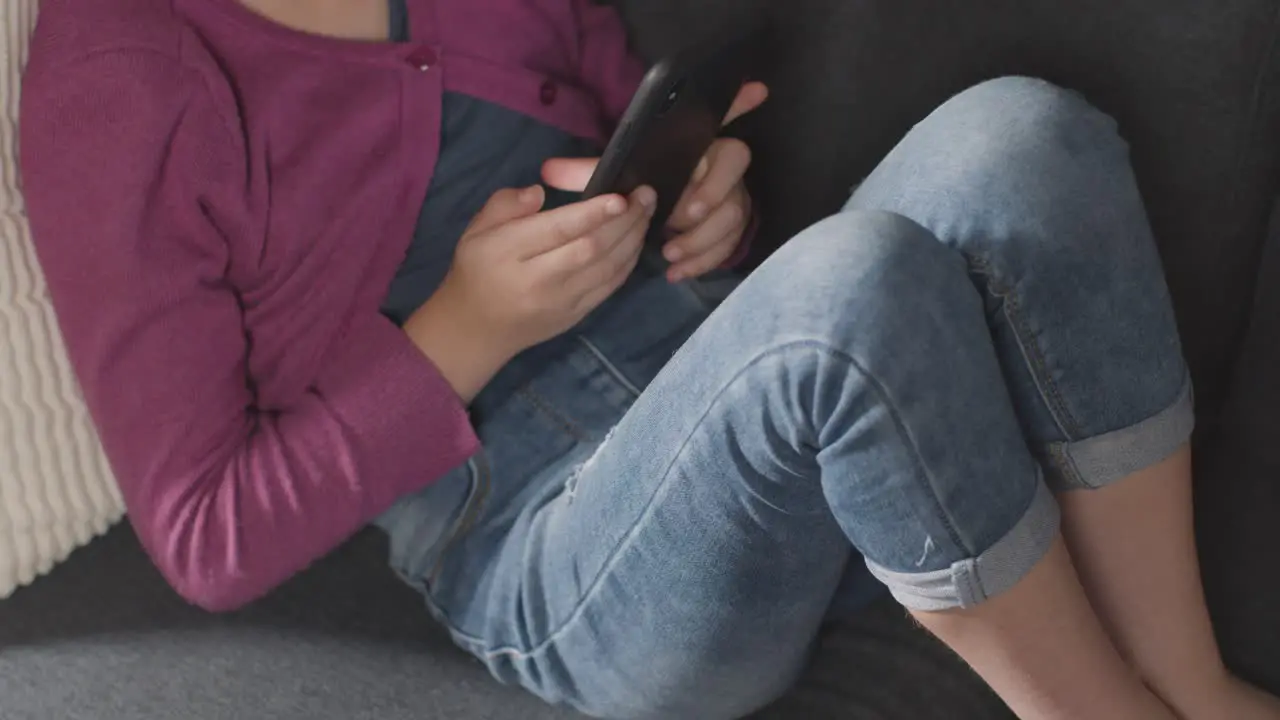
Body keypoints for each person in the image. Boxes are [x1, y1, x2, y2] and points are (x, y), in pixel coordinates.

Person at [18, 0, 1280, 718]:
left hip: (749, 393)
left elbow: (640, 129)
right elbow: (205, 535)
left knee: (1026, 135)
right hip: (555, 546)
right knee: (851, 288)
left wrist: (701, 203)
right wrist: (466, 327)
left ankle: (1186, 680)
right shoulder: (119, 79)